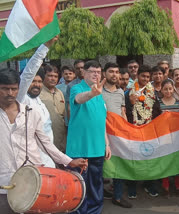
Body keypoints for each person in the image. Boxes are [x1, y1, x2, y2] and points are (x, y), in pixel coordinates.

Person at [0, 68, 87, 214]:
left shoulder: (30, 112)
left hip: (31, 180)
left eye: (13, 89)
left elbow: (45, 143)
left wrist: (68, 161)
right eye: (4, 89)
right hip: (3, 183)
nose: (10, 93)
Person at [66, 60, 111, 214]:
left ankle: (94, 211)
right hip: (80, 148)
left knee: (96, 186)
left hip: (97, 148)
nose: (96, 75)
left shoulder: (100, 93)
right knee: (79, 186)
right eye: (92, 71)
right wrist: (91, 93)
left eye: (98, 72)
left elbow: (101, 121)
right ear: (84, 72)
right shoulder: (76, 88)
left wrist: (107, 144)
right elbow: (79, 99)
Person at [17, 38, 57, 168]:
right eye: (33, 81)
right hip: (29, 162)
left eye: (39, 82)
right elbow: (28, 74)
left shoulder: (40, 102)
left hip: (48, 159)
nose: (37, 84)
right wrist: (44, 47)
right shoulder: (21, 99)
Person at [125, 65, 161, 198]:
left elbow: (156, 110)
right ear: (137, 76)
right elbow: (125, 111)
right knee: (133, 159)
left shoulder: (152, 92)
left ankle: (149, 184)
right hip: (133, 130)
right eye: (143, 76)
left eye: (148, 77)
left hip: (149, 130)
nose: (145, 79)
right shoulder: (129, 92)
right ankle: (131, 186)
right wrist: (130, 102)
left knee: (149, 158)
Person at [101, 62, 131, 208]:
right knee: (101, 166)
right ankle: (98, 194)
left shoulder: (120, 92)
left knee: (119, 165)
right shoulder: (98, 92)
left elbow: (122, 112)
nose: (114, 74)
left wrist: (126, 130)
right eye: (111, 71)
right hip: (101, 135)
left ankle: (117, 197)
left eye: (116, 72)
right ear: (104, 73)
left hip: (118, 135)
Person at [159, 79, 179, 196]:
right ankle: (165, 185)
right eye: (165, 89)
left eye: (170, 88)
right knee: (165, 160)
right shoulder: (158, 104)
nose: (168, 91)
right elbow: (155, 120)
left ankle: (178, 185)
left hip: (177, 137)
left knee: (177, 160)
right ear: (161, 90)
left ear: (173, 89)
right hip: (163, 137)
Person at [40, 64, 67, 152]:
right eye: (50, 76)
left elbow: (64, 116)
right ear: (44, 76)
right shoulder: (38, 93)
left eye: (55, 76)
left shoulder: (59, 92)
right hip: (45, 139)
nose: (53, 78)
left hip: (61, 139)